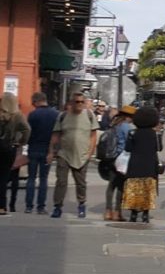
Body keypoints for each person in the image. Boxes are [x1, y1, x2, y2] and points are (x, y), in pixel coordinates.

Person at [49, 91, 99, 219]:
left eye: (82, 102)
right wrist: (51, 151)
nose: (80, 104)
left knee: (80, 183)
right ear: (71, 103)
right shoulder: (63, 116)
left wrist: (90, 153)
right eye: (77, 102)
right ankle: (57, 207)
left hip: (82, 155)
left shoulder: (89, 115)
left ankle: (81, 204)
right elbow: (56, 135)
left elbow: (93, 136)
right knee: (61, 181)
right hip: (64, 154)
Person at [122, 106, 161, 223]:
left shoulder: (132, 133)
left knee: (134, 188)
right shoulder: (153, 134)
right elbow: (158, 148)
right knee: (147, 189)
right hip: (149, 163)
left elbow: (128, 148)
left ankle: (133, 213)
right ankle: (145, 214)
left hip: (135, 163)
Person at [24, 92, 58, 215]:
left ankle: (28, 206)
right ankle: (41, 207)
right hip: (47, 150)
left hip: (33, 148)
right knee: (43, 179)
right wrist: (53, 150)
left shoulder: (32, 115)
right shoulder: (55, 114)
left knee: (31, 178)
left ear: (37, 101)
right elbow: (57, 134)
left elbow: (28, 132)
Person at [0, 92, 30, 215]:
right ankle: (2, 206)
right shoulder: (18, 116)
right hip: (9, 148)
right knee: (4, 177)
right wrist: (21, 142)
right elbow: (27, 129)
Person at [103, 106, 135, 221]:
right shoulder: (127, 126)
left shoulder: (114, 125)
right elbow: (130, 141)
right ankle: (117, 212)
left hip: (111, 157)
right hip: (122, 158)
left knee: (111, 185)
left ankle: (108, 211)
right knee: (121, 185)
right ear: (129, 116)